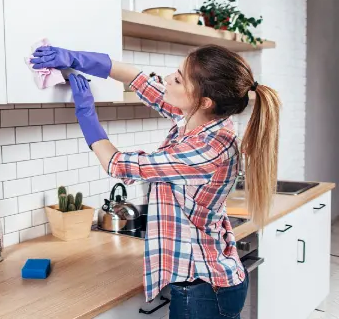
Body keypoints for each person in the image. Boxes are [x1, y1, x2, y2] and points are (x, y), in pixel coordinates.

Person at [30, 44, 281, 319]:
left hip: (204, 290)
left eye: (178, 78)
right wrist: (76, 57)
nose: (168, 78)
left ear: (204, 100)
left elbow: (118, 164)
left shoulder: (206, 149)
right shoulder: (200, 120)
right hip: (205, 280)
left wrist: (86, 114)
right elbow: (138, 79)